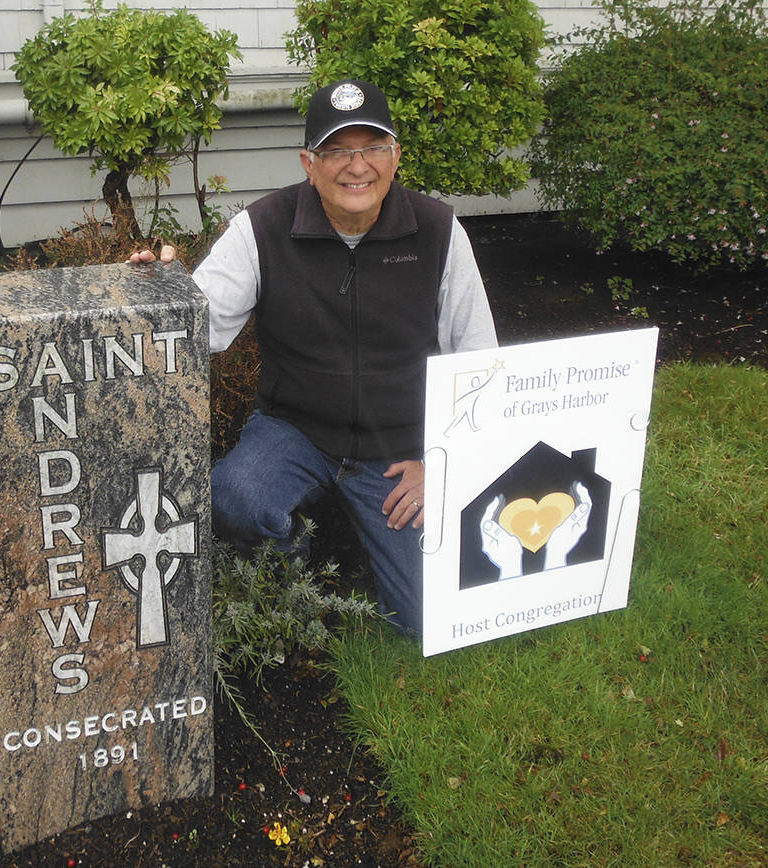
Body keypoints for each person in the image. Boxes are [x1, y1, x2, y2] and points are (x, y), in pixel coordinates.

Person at [130, 79, 497, 634]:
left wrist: (439, 464)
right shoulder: (261, 229)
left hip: (399, 448)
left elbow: (480, 364)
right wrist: (152, 295)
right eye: (336, 151)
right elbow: (195, 328)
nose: (357, 166)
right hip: (295, 428)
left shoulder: (441, 232)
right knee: (235, 498)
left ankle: (362, 533)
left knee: (428, 619)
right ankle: (299, 566)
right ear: (309, 162)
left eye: (373, 147)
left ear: (395, 156)